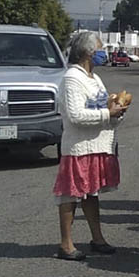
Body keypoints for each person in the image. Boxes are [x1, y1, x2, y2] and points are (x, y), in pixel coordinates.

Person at [53, 31, 126, 261]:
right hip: (79, 146)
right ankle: (66, 243)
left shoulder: (93, 77)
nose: (103, 52)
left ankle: (98, 238)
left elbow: (102, 105)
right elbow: (75, 115)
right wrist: (107, 113)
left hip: (96, 145)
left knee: (91, 194)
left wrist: (115, 111)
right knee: (70, 194)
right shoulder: (72, 78)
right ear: (88, 52)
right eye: (99, 48)